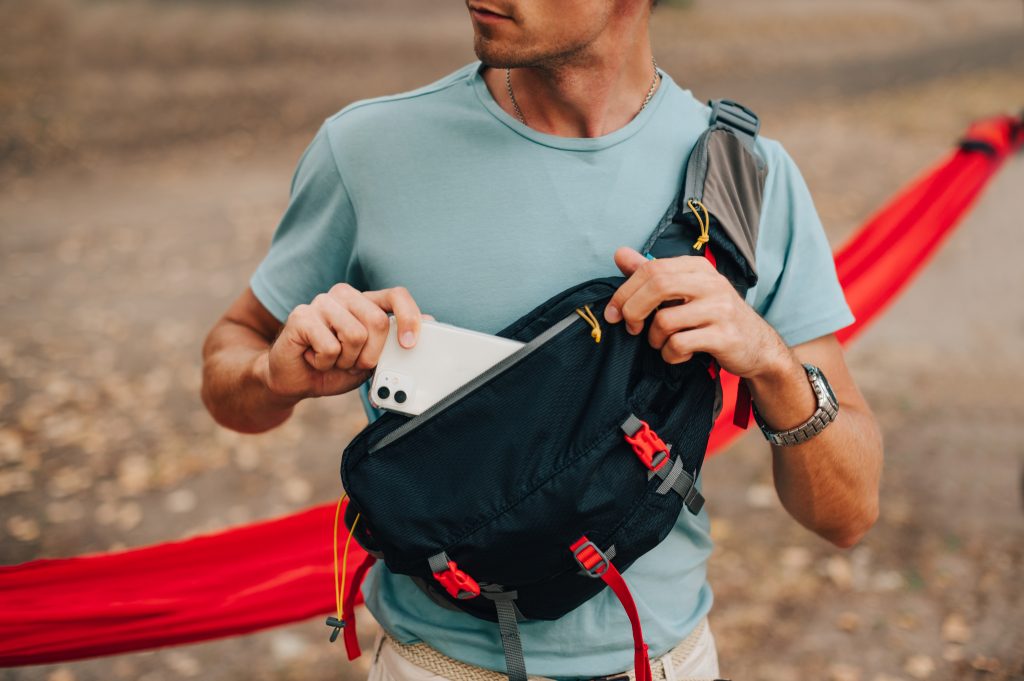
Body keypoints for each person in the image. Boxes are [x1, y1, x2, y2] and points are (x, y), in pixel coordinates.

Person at [200, 0, 884, 678]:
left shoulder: (745, 178)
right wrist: (269, 376)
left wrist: (770, 360)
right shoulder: (366, 149)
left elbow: (848, 513)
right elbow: (229, 363)